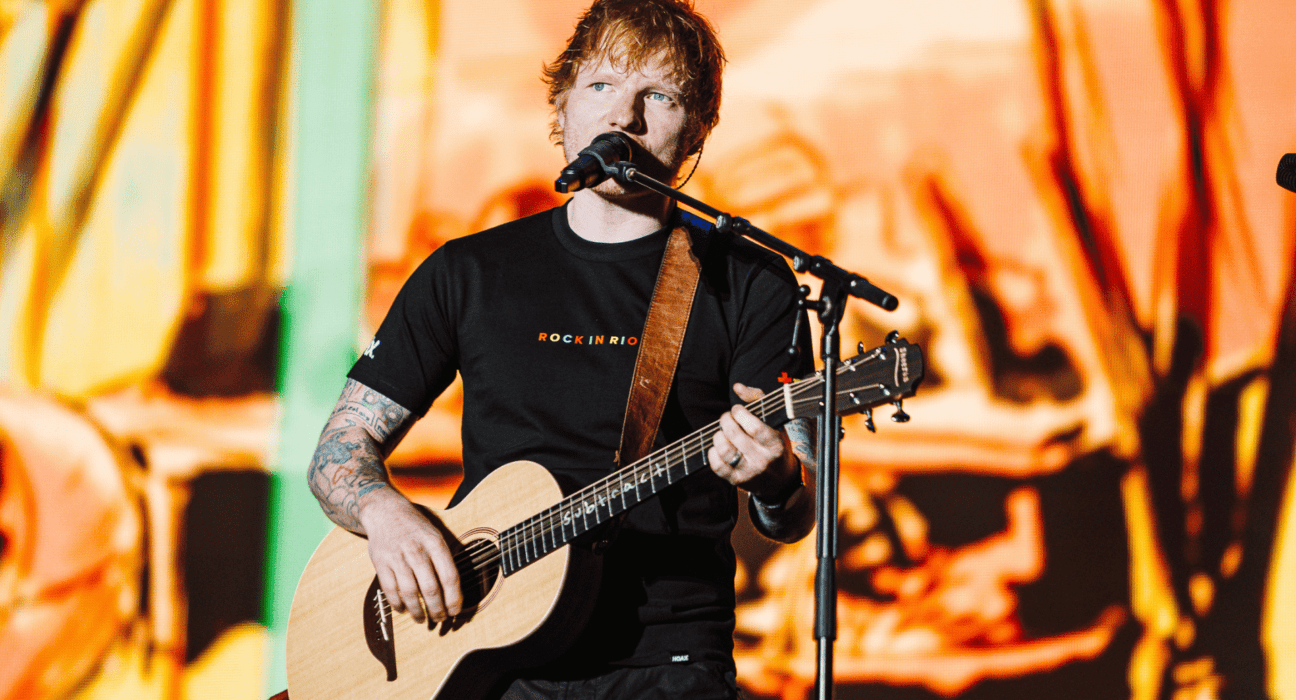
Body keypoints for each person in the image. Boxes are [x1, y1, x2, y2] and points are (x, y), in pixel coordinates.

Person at [306, 0, 817, 696]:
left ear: (698, 129)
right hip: (489, 653)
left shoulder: (750, 282)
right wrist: (385, 514)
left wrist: (774, 478)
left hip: (665, 662)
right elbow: (339, 451)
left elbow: (794, 514)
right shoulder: (468, 272)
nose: (623, 118)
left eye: (658, 96)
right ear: (564, 104)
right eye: (602, 87)